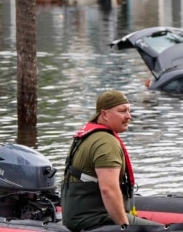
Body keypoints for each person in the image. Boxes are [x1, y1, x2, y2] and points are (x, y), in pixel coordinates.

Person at [61, 90, 164, 231]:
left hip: (77, 217)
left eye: (129, 110)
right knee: (164, 230)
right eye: (122, 111)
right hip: (94, 219)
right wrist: (125, 227)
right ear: (104, 114)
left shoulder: (88, 136)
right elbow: (108, 189)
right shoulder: (106, 143)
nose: (129, 116)